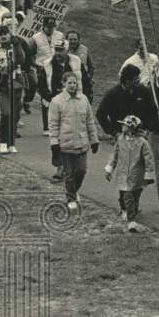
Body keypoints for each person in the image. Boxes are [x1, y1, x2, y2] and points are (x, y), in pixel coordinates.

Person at [48, 71, 99, 212]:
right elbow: (53, 124)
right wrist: (54, 142)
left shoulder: (83, 100)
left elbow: (89, 121)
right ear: (63, 84)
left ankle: (74, 190)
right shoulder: (57, 101)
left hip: (82, 144)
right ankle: (70, 197)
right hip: (65, 144)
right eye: (69, 82)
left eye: (74, 82)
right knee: (69, 173)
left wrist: (94, 139)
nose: (72, 85)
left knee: (81, 171)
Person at [104, 115, 157, 232]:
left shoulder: (142, 142)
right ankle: (131, 220)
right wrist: (109, 169)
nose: (122, 126)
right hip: (123, 174)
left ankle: (131, 211)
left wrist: (148, 174)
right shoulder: (120, 140)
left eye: (125, 125)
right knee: (126, 196)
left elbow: (148, 159)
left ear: (131, 128)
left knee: (135, 196)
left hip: (136, 175)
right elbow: (114, 154)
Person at [0, 25, 26, 154]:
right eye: (0, 33)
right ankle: (3, 141)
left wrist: (17, 44)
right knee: (6, 113)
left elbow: (21, 59)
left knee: (14, 115)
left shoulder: (16, 45)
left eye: (5, 33)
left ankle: (11, 142)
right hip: (1, 86)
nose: (3, 36)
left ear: (9, 34)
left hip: (16, 85)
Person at [65, 30, 95, 101]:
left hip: (83, 80)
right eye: (70, 39)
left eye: (75, 39)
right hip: (68, 81)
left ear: (79, 40)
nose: (73, 41)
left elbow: (91, 66)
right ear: (66, 40)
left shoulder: (84, 49)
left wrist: (89, 78)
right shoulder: (63, 50)